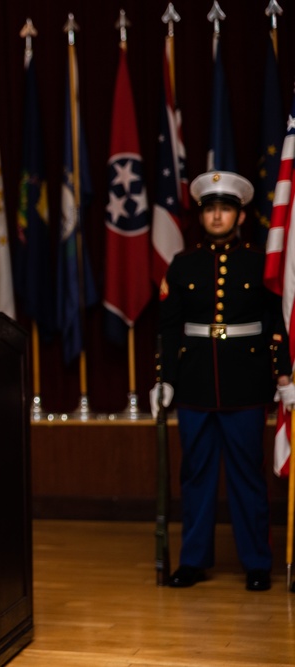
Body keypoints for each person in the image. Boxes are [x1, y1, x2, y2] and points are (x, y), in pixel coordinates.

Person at [152, 170, 292, 592]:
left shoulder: (258, 262)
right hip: (195, 385)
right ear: (201, 216)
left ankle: (256, 563)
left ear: (240, 216)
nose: (217, 216)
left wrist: (284, 372)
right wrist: (166, 379)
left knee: (247, 477)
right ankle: (193, 561)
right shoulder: (183, 265)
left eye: (225, 209)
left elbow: (277, 322)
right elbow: (169, 328)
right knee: (195, 475)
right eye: (210, 209)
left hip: (246, 384)